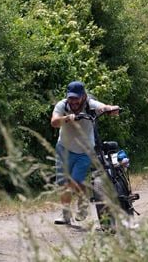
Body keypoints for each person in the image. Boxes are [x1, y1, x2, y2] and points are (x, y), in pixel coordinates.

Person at [51, 81, 119, 225]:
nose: (73, 101)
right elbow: (54, 122)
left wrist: (111, 109)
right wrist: (67, 118)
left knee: (74, 181)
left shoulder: (90, 104)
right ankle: (65, 215)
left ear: (83, 96)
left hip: (84, 151)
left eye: (76, 98)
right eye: (71, 98)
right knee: (63, 183)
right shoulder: (62, 105)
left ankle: (82, 204)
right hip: (63, 148)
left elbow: (103, 107)